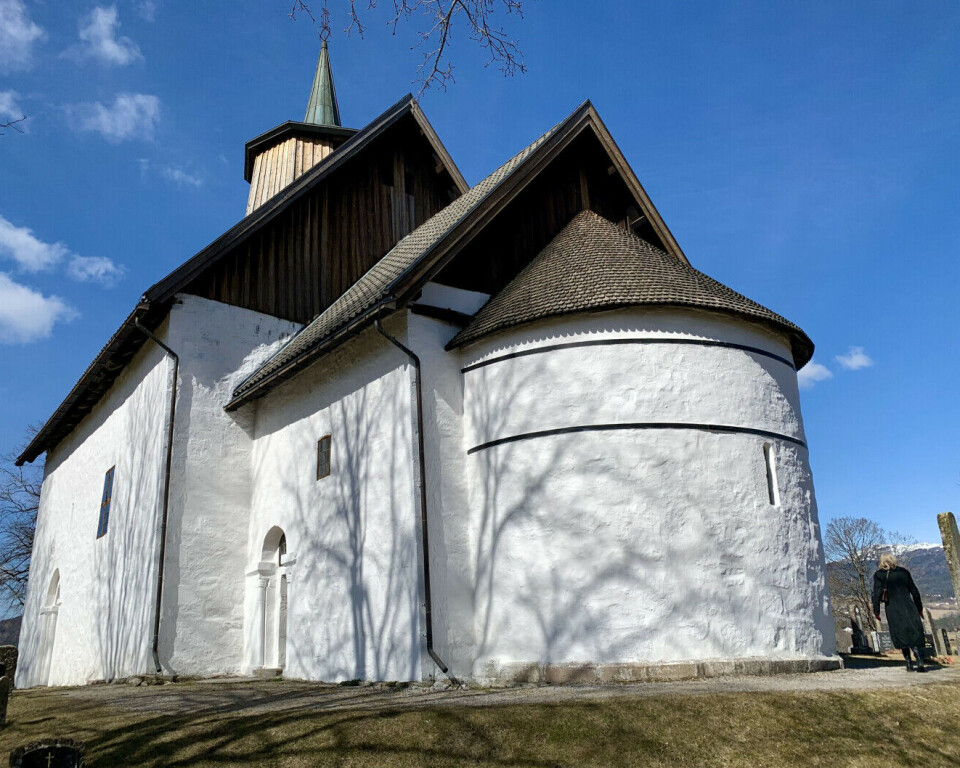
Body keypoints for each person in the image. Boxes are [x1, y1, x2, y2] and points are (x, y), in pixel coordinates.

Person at [872, 552, 926, 671]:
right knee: (913, 632)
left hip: (892, 607)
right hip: (908, 605)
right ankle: (920, 661)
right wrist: (919, 608)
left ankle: (908, 663)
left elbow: (876, 594)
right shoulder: (903, 572)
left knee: (900, 633)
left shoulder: (879, 575)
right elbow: (915, 591)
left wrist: (876, 611)